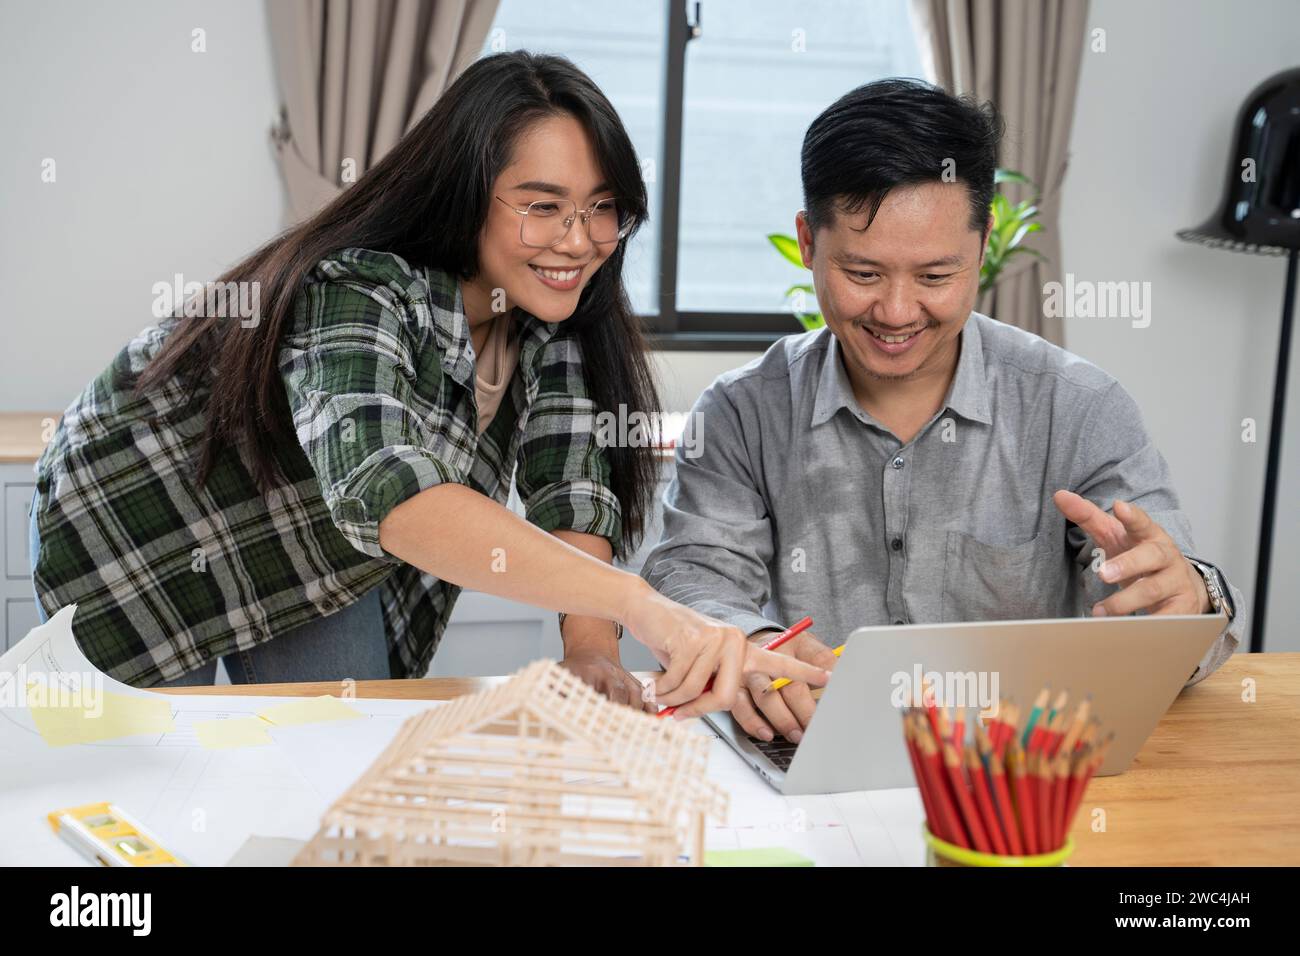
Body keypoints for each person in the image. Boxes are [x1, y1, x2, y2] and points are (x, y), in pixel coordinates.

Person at [29, 52, 830, 714]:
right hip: (139, 526)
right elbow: (389, 491)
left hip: (310, 551)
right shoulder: (357, 287)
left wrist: (592, 649)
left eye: (602, 209)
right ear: (465, 193)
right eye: (541, 205)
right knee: (166, 783)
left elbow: (574, 487)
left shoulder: (556, 316)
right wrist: (640, 602)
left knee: (338, 755)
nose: (579, 240)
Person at [641, 78, 1243, 743]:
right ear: (808, 243)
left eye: (934, 277)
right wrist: (746, 644)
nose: (897, 313)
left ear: (983, 249)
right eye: (864, 274)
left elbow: (1172, 626)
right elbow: (694, 577)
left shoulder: (1077, 408)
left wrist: (1189, 602)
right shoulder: (743, 411)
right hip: (821, 754)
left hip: (1020, 773)